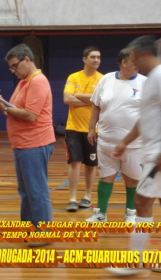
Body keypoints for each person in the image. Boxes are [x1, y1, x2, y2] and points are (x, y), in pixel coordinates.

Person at [107, 35, 161, 276]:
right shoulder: (152, 79)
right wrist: (125, 142)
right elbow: (146, 119)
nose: (130, 61)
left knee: (141, 202)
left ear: (142, 53)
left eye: (131, 56)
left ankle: (136, 262)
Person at [0, 43, 55, 247]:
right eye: (11, 68)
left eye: (15, 66)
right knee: (26, 191)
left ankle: (44, 232)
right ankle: (29, 228)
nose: (13, 71)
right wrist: (1, 104)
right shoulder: (25, 81)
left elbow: (29, 115)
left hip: (35, 143)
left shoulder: (38, 82)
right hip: (22, 144)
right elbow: (15, 110)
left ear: (27, 59)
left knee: (37, 190)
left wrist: (3, 107)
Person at [85, 48, 146, 224]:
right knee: (106, 178)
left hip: (134, 145)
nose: (138, 65)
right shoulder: (106, 80)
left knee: (132, 179)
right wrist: (91, 129)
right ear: (124, 63)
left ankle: (131, 213)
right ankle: (100, 214)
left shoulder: (145, 83)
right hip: (106, 142)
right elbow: (96, 105)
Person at [63, 46, 103, 212]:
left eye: (98, 57)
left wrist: (78, 96)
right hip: (73, 128)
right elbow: (67, 98)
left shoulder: (102, 79)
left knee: (91, 164)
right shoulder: (73, 77)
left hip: (93, 129)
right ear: (84, 59)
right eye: (92, 57)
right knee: (75, 162)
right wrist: (91, 100)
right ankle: (72, 198)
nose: (96, 60)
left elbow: (101, 100)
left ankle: (87, 196)